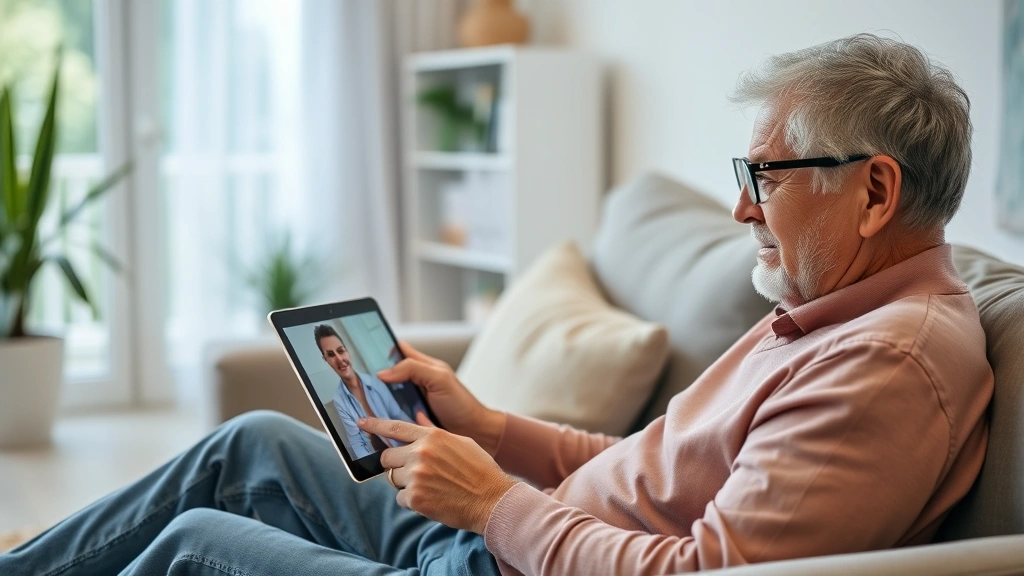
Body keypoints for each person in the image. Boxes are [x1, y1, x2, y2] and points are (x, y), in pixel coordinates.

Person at [0, 33, 993, 575]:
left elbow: (704, 573)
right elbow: (647, 473)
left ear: (873, 192)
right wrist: (489, 430)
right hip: (508, 544)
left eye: (764, 176)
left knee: (197, 548)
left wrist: (489, 500)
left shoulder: (885, 365)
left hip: (507, 561)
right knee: (248, 444)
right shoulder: (828, 314)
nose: (740, 206)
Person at [313, 324, 416, 458]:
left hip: (402, 450)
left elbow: (398, 415)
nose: (339, 359)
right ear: (326, 360)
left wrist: (419, 438)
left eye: (341, 351)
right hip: (378, 460)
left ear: (347, 352)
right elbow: (356, 442)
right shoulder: (339, 399)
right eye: (331, 355)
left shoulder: (374, 382)